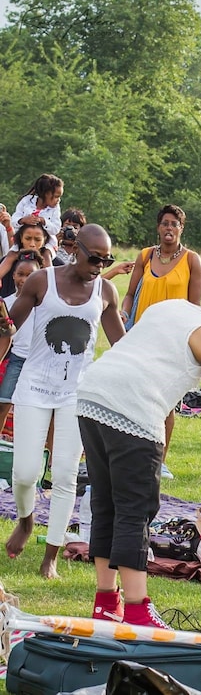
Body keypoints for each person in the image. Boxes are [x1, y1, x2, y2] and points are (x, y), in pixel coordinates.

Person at [77, 278, 201, 627]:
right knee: (135, 509)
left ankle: (106, 601)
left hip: (91, 394)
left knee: (105, 503)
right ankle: (137, 609)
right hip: (134, 409)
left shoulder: (170, 306)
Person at [2, 224, 126, 578]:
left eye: (107, 259)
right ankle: (26, 521)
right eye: (95, 257)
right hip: (35, 385)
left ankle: (50, 556)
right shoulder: (43, 281)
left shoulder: (106, 291)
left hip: (77, 393)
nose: (100, 265)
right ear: (76, 250)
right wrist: (2, 324)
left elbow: (121, 343)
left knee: (65, 475)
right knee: (24, 474)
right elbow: (12, 326)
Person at [121, 205, 201, 480]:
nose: (169, 228)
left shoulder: (192, 261)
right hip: (142, 336)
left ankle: (160, 461)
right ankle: (132, 454)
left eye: (175, 224)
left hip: (173, 340)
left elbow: (195, 307)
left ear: (182, 228)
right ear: (158, 227)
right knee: (135, 397)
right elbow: (130, 294)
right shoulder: (145, 256)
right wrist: (123, 315)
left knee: (165, 401)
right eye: (165, 223)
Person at [0, 252, 44, 433]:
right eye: (21, 274)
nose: (25, 279)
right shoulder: (7, 303)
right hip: (17, 360)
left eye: (30, 275)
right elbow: (6, 336)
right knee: (3, 402)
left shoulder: (45, 303)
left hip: (39, 361)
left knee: (37, 407)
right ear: (13, 275)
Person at [10, 174, 63, 254]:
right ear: (45, 194)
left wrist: (44, 221)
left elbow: (56, 228)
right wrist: (23, 220)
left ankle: (48, 267)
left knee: (46, 255)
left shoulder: (55, 209)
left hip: (46, 243)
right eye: (56, 196)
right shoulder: (26, 201)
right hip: (23, 241)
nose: (58, 200)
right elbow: (13, 220)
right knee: (10, 255)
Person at [0, 224, 52, 296]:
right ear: (21, 238)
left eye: (37, 240)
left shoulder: (55, 264)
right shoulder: (6, 263)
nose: (32, 244)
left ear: (44, 239)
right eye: (28, 238)